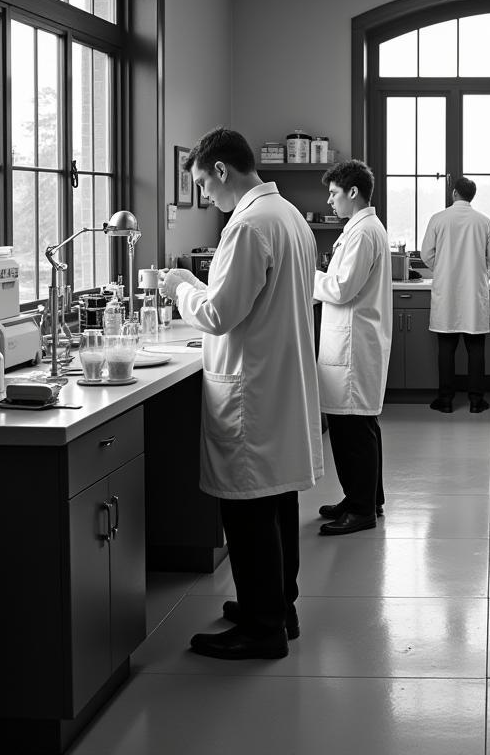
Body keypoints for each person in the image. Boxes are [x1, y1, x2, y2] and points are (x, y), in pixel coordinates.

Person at [159, 127, 323, 660]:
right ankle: (279, 606)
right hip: (275, 380)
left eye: (204, 183)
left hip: (253, 388)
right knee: (276, 502)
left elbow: (218, 313)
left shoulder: (248, 226)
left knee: (249, 511)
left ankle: (261, 627)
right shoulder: (289, 216)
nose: (206, 194)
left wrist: (179, 285)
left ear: (222, 171)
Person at [312, 160, 393, 536]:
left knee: (352, 431)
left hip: (353, 345)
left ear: (353, 193)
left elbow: (342, 288)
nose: (330, 201)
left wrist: (306, 275)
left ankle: (361, 510)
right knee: (361, 426)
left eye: (333, 194)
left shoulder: (362, 233)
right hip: (353, 342)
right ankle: (365, 498)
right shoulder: (361, 229)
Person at [420, 176, 490, 414]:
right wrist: (477, 269)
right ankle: (476, 401)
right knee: (476, 350)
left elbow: (426, 254)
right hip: (474, 293)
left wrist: (443, 268)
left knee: (446, 349)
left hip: (446, 292)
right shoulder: (483, 221)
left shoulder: (438, 219)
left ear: (454, 193)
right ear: (471, 195)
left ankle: (445, 400)